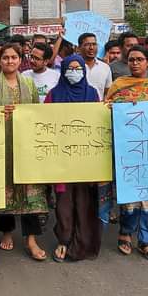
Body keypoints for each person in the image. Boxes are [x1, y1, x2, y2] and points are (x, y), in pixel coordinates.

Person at [105, 45, 148, 261]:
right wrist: (114, 108)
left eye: (140, 59)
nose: (135, 63)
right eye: (131, 60)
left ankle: (146, 240)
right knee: (131, 196)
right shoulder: (119, 85)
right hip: (129, 150)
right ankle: (125, 233)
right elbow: (106, 108)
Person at [0, 43, 46, 261]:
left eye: (14, 57)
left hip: (25, 144)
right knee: (5, 189)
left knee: (29, 189)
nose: (10, 61)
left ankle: (31, 239)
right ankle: (7, 232)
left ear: (21, 60)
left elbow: (36, 113)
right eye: (5, 58)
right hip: (1, 146)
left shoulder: (29, 83)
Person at [44, 54, 102, 262]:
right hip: (62, 159)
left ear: (84, 72)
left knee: (85, 202)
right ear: (64, 70)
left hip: (87, 159)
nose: (74, 72)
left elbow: (99, 124)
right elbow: (44, 125)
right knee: (64, 202)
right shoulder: (54, 94)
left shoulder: (92, 93)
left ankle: (83, 242)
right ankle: (64, 239)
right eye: (71, 68)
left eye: (79, 69)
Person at [77, 33, 112, 99]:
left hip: (98, 107)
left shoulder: (105, 68)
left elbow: (107, 92)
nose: (91, 48)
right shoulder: (73, 68)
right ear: (79, 48)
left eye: (94, 44)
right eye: (87, 45)